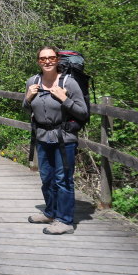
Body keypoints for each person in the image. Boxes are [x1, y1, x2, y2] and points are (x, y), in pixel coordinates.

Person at [23, 46, 89, 235]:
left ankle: (65, 220)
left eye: (51, 58)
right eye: (43, 59)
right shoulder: (33, 81)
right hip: (42, 137)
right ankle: (51, 212)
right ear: (38, 61)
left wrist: (64, 99)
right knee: (47, 178)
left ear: (57, 60)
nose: (47, 61)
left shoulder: (70, 83)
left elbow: (83, 112)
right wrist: (27, 98)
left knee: (63, 180)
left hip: (65, 138)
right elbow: (27, 108)